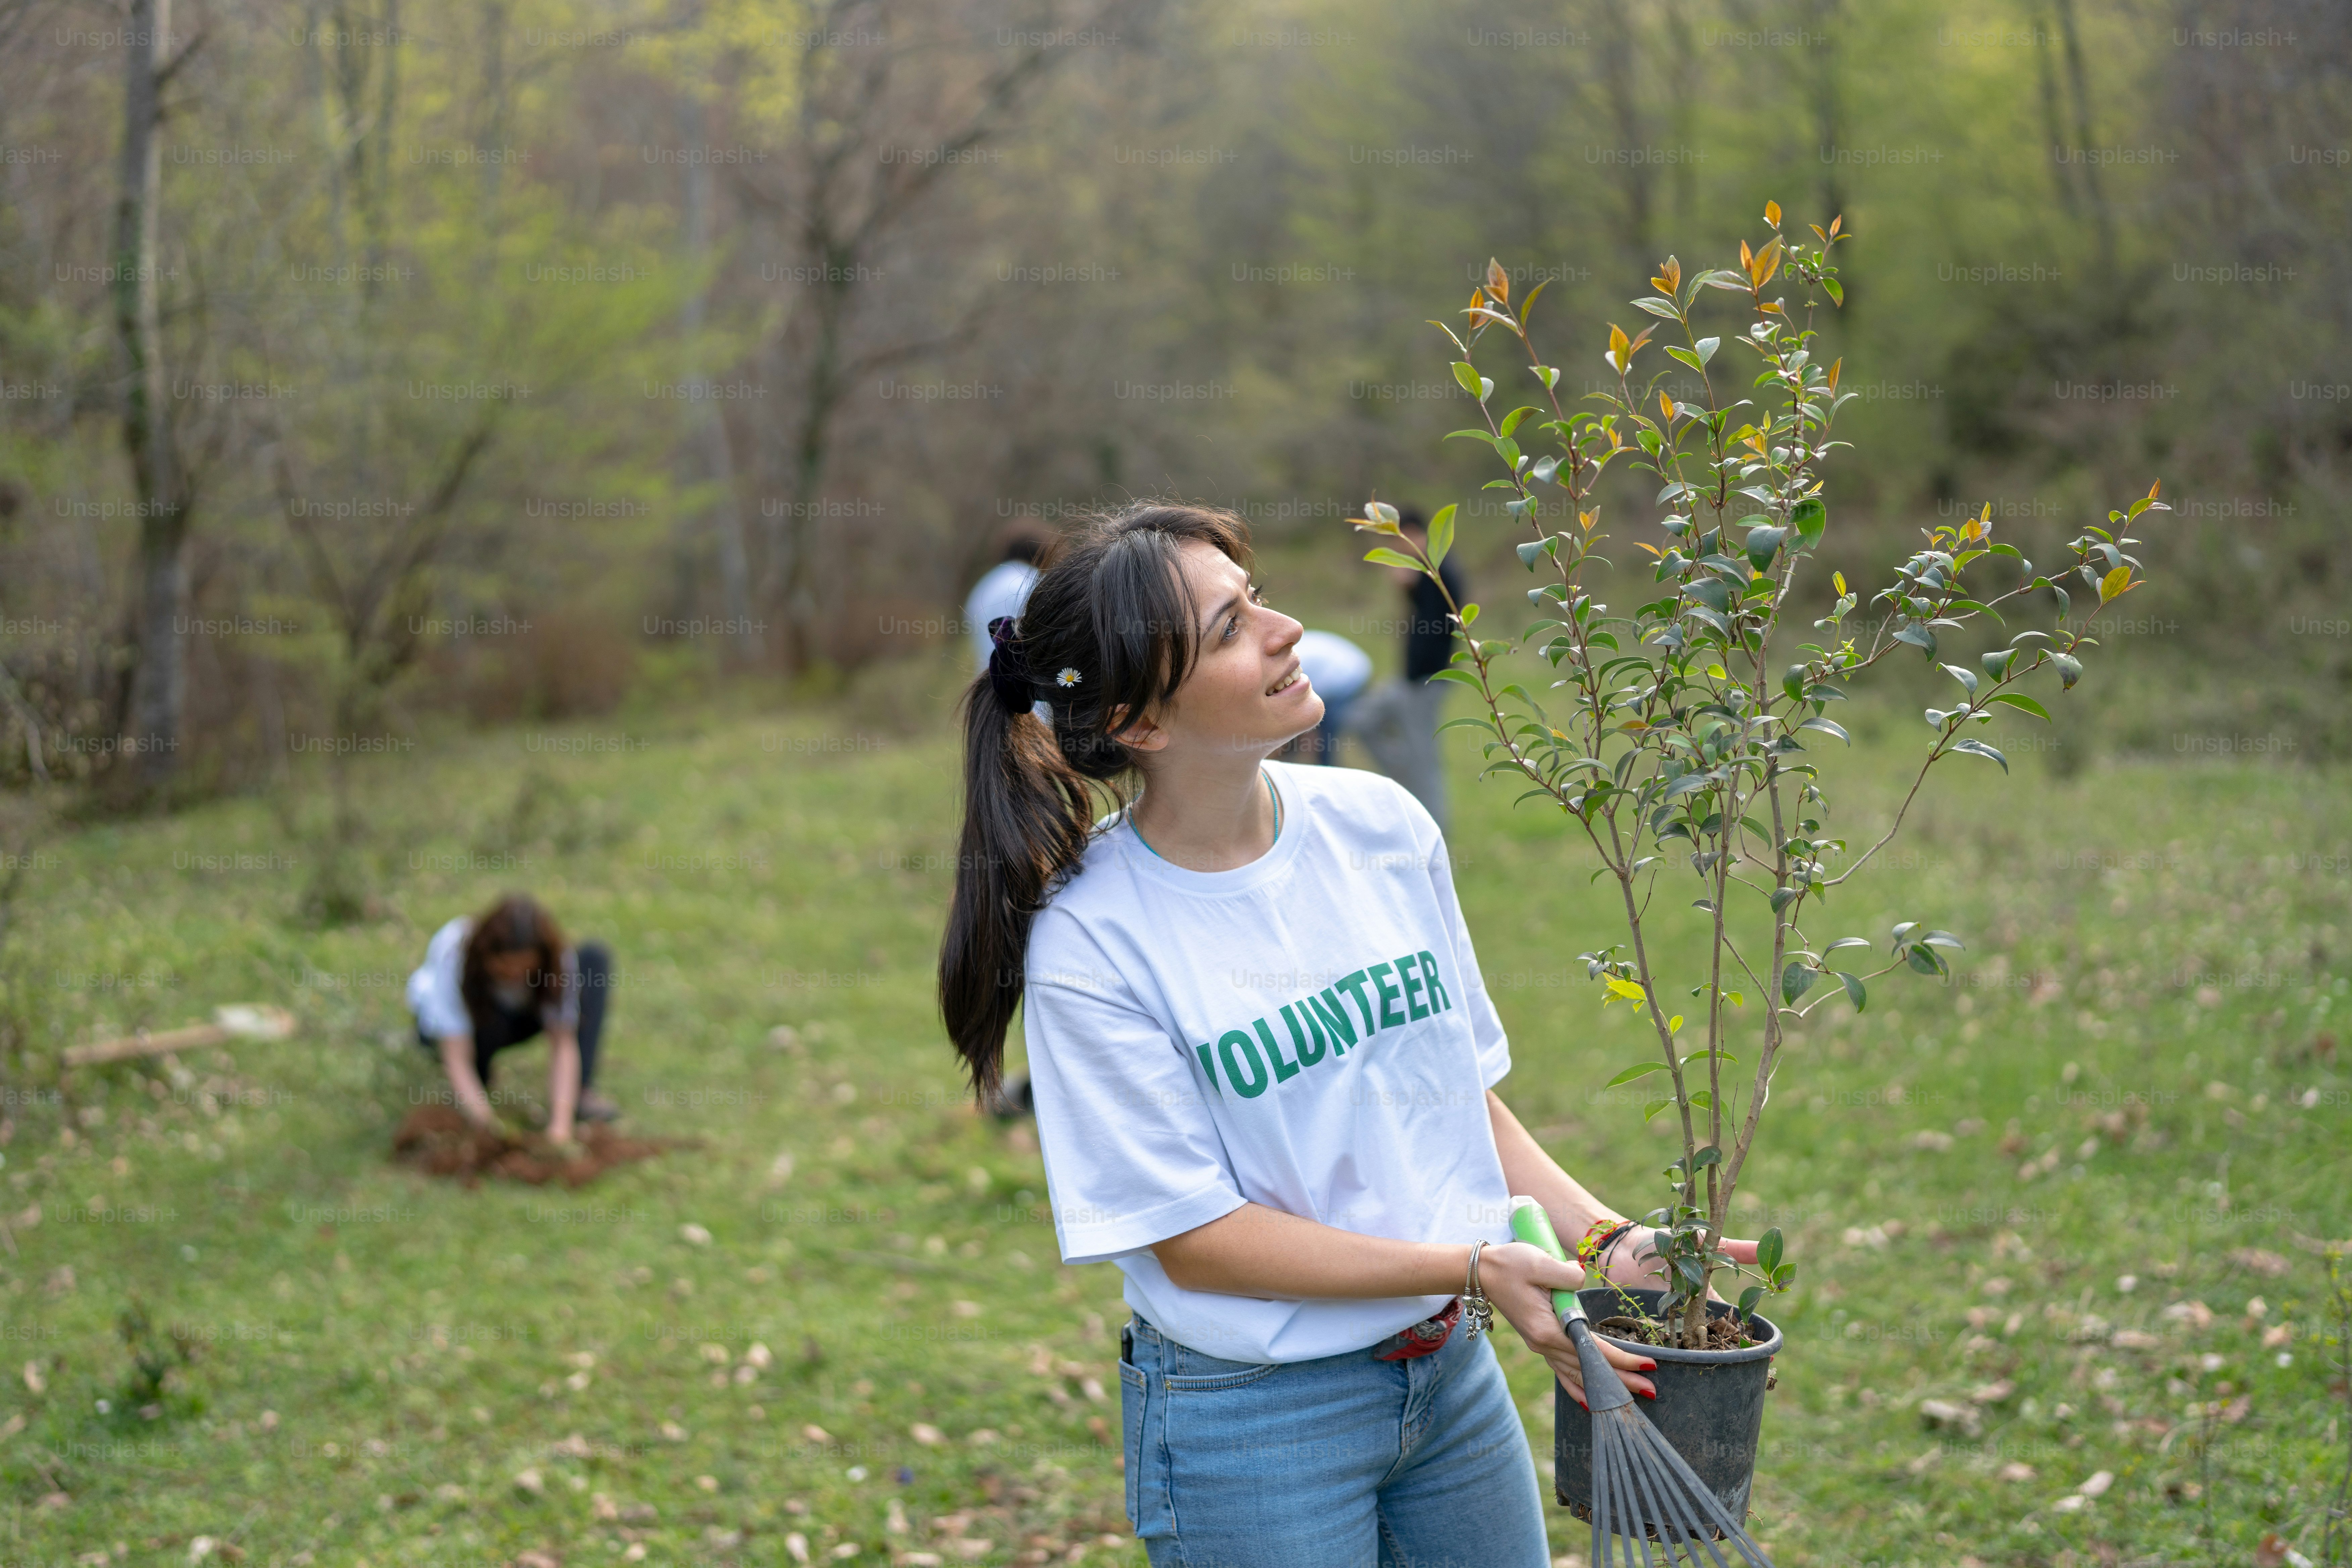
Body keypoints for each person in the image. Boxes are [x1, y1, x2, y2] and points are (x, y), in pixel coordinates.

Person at [936, 503, 1760, 1567]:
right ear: (1141, 721)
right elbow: (1195, 1239)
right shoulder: (1094, 941)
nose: (1284, 629)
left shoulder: (1378, 824)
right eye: (1230, 626)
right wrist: (1470, 1264)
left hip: (1448, 1380)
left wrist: (1602, 1239)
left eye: (1257, 595)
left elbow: (1445, 1089)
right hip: (1252, 1420)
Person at [406, 894, 619, 1142]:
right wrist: (486, 1124)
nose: (515, 977)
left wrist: (560, 1128)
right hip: (468, 1022)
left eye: (525, 970)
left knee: (593, 959)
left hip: (519, 1019)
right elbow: (456, 1054)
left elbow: (563, 1044)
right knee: (474, 1084)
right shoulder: (454, 952)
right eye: (505, 969)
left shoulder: (557, 960)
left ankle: (579, 1095)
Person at [1349, 505, 1464, 833]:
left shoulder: (1440, 569)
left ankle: (1433, 832)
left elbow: (1441, 622)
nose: (1398, 550)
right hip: (1408, 679)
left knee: (1424, 760)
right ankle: (1404, 787)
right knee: (1362, 720)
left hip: (1425, 681)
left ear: (1413, 535)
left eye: (1399, 541)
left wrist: (1414, 582)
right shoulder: (1427, 572)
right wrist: (1410, 588)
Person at [1273, 627, 1371, 765]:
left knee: (1325, 727)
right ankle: (1294, 759)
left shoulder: (1288, 667)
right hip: (1341, 661)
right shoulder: (1286, 661)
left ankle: (1326, 766)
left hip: (1349, 674)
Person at [965, 530, 1048, 673]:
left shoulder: (983, 587)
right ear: (1040, 553)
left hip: (987, 685)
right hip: (1025, 685)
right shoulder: (1033, 583)